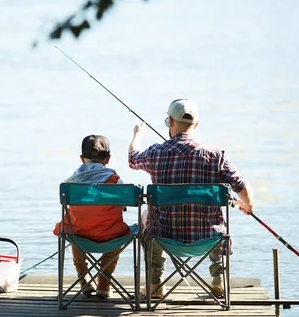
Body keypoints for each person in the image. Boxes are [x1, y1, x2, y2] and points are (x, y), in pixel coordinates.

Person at [128, 98, 254, 298]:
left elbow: (133, 159)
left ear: (170, 121)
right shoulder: (216, 156)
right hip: (208, 239)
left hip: (165, 237)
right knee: (216, 219)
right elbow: (242, 186)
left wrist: (137, 135)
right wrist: (247, 205)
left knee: (146, 215)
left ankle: (155, 283)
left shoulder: (156, 153)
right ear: (196, 124)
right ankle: (218, 280)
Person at [54, 134, 132, 299]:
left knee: (73, 230)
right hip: (109, 236)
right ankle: (104, 283)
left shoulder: (71, 183)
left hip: (80, 236)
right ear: (108, 159)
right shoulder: (115, 181)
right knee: (120, 234)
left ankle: (84, 281)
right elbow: (128, 202)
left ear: (82, 158)